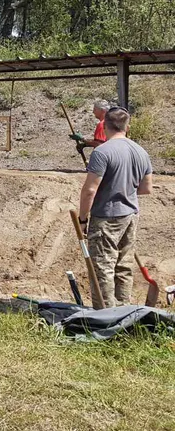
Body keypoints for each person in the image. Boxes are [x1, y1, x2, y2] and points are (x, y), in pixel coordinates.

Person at [77, 107, 153, 308]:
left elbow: (89, 191)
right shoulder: (141, 151)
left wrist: (82, 219)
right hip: (130, 216)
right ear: (127, 127)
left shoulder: (102, 152)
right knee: (124, 266)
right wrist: (125, 189)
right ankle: (123, 312)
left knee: (103, 267)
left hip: (106, 217)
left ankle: (105, 316)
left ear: (105, 126)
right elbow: (146, 188)